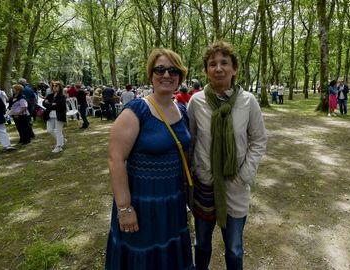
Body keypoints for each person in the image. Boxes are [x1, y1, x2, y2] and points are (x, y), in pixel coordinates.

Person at [105, 48, 194, 270]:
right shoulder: (136, 111)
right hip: (142, 202)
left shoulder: (182, 110)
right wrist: (124, 209)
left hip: (172, 201)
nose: (166, 75)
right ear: (151, 74)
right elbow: (115, 159)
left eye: (173, 70)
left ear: (180, 76)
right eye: (160, 69)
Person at [187, 41, 267, 270]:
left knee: (234, 247)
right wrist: (194, 175)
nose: (218, 68)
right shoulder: (197, 101)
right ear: (206, 70)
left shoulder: (248, 101)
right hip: (204, 185)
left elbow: (259, 140)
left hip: (235, 185)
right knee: (201, 244)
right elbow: (190, 141)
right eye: (212, 64)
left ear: (235, 69)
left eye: (224, 63)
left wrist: (244, 175)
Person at [43, 81, 67, 153]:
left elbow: (60, 106)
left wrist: (50, 104)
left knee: (58, 131)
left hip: (59, 115)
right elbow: (44, 103)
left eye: (56, 86)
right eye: (53, 86)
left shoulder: (62, 96)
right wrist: (52, 104)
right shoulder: (49, 95)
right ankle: (62, 140)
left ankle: (59, 146)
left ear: (60, 87)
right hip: (50, 115)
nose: (54, 87)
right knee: (49, 130)